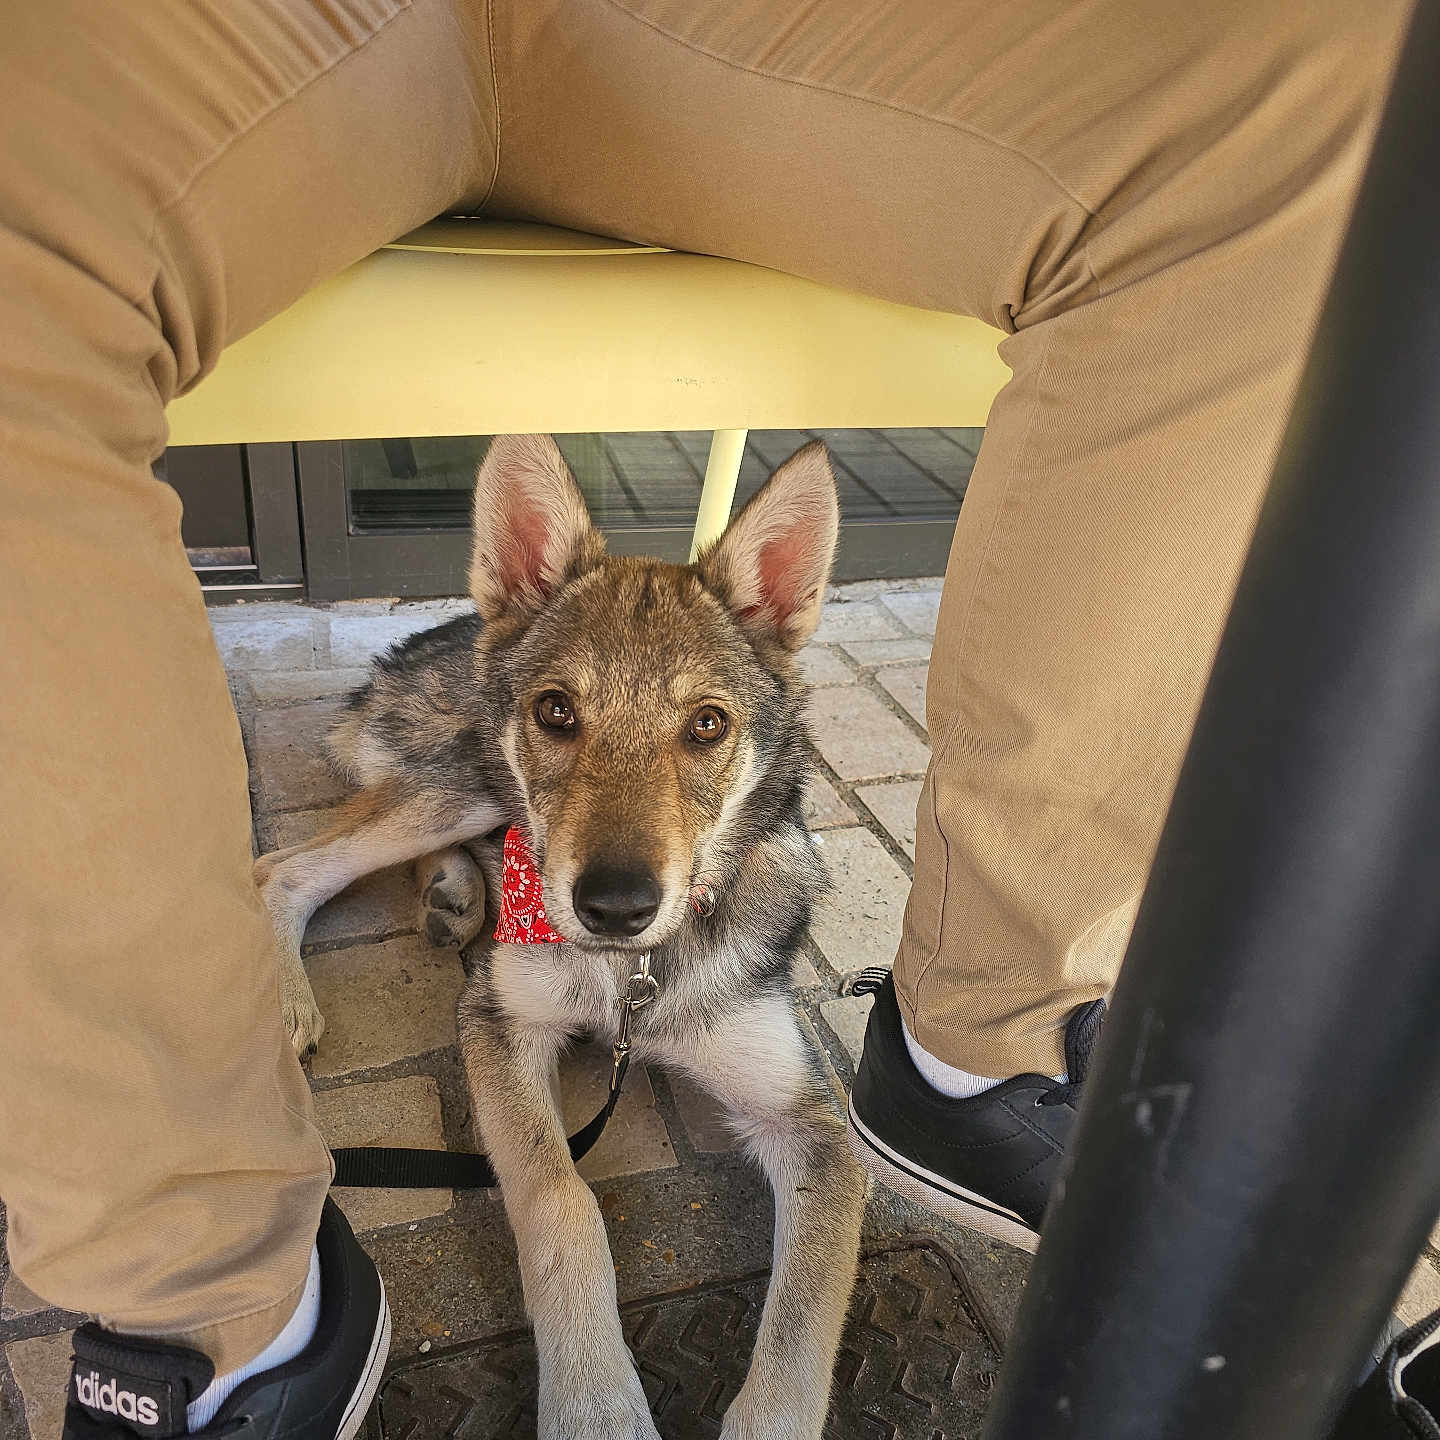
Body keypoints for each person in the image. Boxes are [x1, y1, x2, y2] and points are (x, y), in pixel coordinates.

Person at [0, 1, 1413, 1435]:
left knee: (1345, 85)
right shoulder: (517, 707)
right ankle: (212, 1278)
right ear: (510, 594)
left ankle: (989, 1039)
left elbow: (805, 1150)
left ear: (775, 645)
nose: (628, 819)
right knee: (488, 832)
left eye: (699, 735)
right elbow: (497, 1024)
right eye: (560, 714)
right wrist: (570, 1267)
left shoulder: (736, 769)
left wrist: (784, 1391)